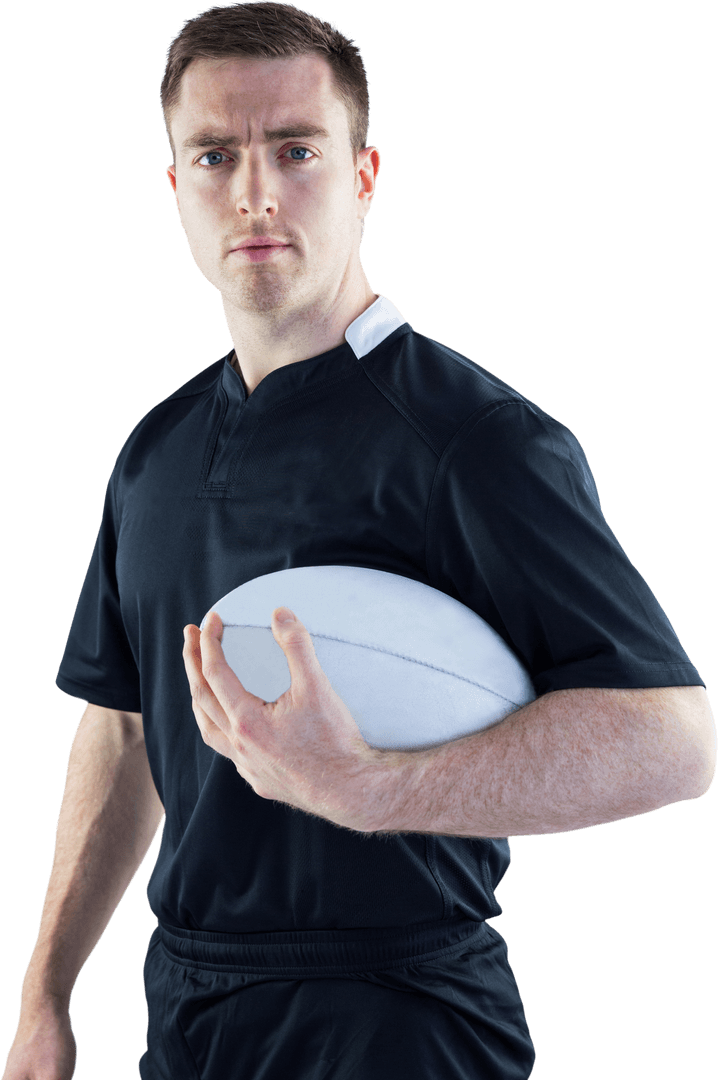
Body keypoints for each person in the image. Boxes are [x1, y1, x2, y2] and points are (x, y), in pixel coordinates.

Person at [4, 3, 715, 1079]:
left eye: (296, 151)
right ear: (176, 192)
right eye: (214, 155)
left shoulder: (473, 441)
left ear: (364, 176)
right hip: (189, 1012)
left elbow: (672, 742)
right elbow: (128, 729)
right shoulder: (153, 451)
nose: (254, 192)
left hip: (398, 1014)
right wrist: (46, 995)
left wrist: (372, 789)